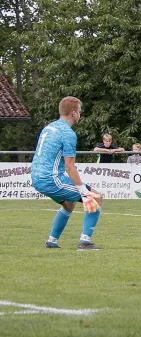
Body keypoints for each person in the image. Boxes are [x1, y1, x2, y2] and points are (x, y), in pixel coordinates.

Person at [31, 96, 103, 250]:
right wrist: (84, 191)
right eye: (80, 111)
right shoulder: (68, 133)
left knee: (69, 204)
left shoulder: (49, 128)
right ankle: (85, 242)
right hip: (52, 179)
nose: (80, 114)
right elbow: (70, 166)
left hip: (37, 177)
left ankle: (51, 242)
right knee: (95, 197)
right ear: (73, 113)